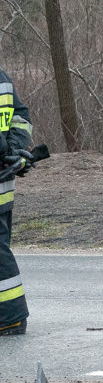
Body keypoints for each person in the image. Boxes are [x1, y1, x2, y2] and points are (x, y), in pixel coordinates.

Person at [0, 68, 34, 336]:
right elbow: (21, 118)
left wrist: (8, 151)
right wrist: (14, 150)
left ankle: (10, 318)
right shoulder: (3, 79)